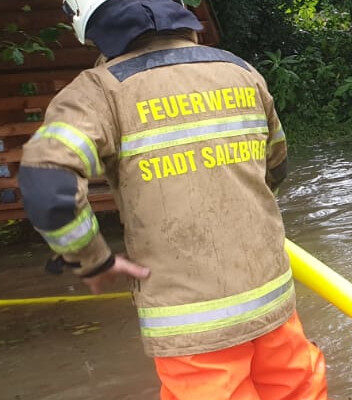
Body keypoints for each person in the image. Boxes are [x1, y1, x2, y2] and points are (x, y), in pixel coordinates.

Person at [19, 0, 327, 398]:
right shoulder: (241, 71)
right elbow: (276, 166)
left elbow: (47, 185)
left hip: (195, 331)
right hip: (274, 303)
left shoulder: (97, 93)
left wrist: (93, 259)